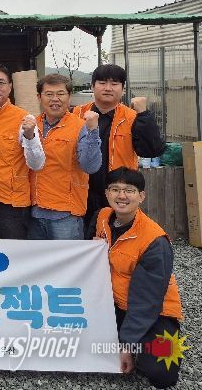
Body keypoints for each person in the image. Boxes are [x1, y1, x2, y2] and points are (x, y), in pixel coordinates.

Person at [94, 167, 183, 389]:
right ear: (106, 193)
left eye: (129, 190)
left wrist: (127, 345)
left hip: (154, 310)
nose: (121, 196)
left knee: (161, 372)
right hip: (114, 303)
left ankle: (136, 343)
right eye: (115, 189)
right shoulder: (102, 217)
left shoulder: (154, 240)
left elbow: (147, 300)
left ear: (141, 196)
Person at [72, 64, 166, 237]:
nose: (108, 88)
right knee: (81, 242)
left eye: (114, 83)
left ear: (122, 89)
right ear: (92, 86)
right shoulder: (76, 114)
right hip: (79, 192)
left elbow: (152, 150)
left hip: (117, 194)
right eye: (102, 83)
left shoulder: (132, 117)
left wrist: (144, 115)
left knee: (116, 241)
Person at [0, 62, 45, 239]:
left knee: (12, 253)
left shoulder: (24, 119)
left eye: (0, 83)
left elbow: (37, 164)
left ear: (10, 87)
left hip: (11, 205)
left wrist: (30, 136)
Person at [28, 74, 102, 240]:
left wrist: (92, 131)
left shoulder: (80, 126)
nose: (55, 99)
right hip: (34, 211)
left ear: (69, 97)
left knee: (69, 258)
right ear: (39, 97)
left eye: (60, 94)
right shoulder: (31, 126)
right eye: (49, 94)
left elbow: (90, 166)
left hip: (66, 214)